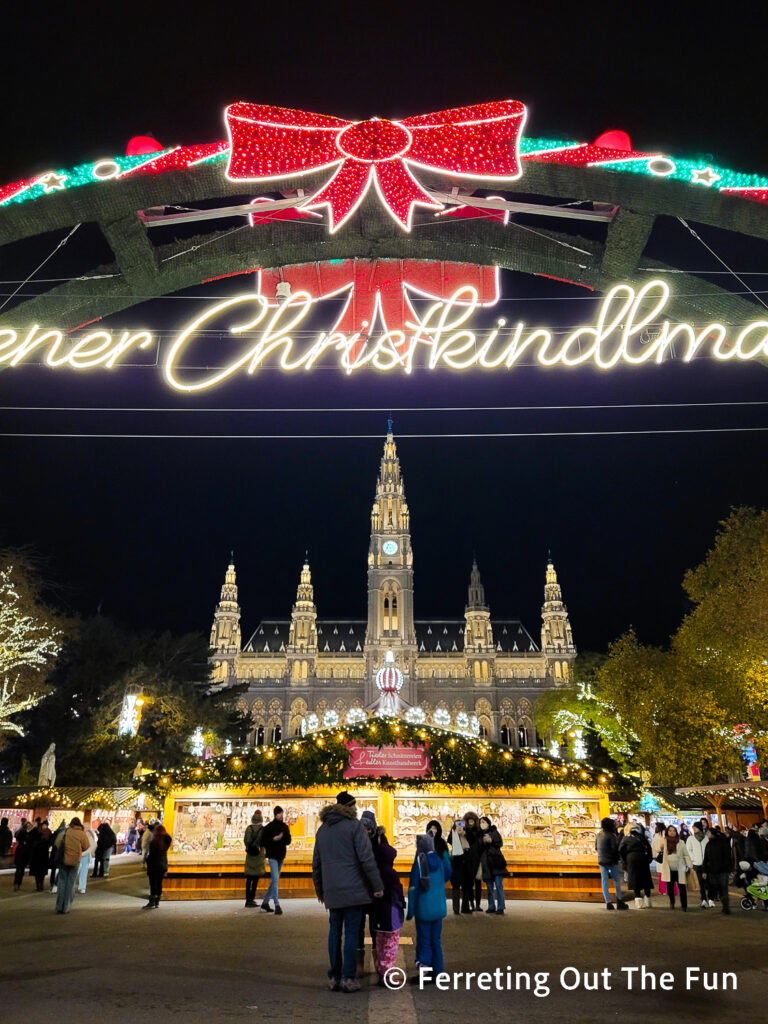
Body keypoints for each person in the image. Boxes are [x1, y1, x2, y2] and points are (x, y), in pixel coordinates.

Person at [312, 790, 383, 994]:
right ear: (350, 807)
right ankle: (349, 977)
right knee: (352, 932)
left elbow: (316, 864)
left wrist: (320, 889)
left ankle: (334, 976)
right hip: (354, 889)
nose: (357, 809)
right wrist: (377, 886)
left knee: (334, 931)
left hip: (332, 890)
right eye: (355, 806)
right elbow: (366, 859)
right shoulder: (354, 827)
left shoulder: (322, 830)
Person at [407, 832, 452, 985]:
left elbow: (413, 887)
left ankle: (424, 971)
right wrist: (446, 854)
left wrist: (410, 911)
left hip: (424, 909)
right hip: (438, 908)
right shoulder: (439, 860)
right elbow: (447, 875)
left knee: (424, 939)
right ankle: (438, 972)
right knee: (436, 940)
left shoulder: (419, 862)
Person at [368, 812, 405, 987]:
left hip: (378, 914)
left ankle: (381, 968)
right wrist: (402, 905)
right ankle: (388, 973)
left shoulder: (375, 872)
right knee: (391, 944)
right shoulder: (391, 873)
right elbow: (397, 893)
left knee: (380, 941)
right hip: (391, 914)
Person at [357, 810, 379, 969]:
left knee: (374, 924)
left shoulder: (378, 841)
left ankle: (377, 957)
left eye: (369, 828)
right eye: (364, 828)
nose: (366, 831)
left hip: (372, 888)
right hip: (358, 888)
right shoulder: (354, 840)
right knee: (358, 925)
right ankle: (359, 962)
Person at [260, 805, 292, 915]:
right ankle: (277, 904)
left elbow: (288, 841)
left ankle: (265, 902)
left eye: (282, 813)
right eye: (279, 813)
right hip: (272, 855)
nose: (281, 815)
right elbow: (262, 841)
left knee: (275, 879)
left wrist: (283, 837)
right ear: (275, 814)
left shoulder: (284, 826)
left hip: (281, 855)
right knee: (275, 879)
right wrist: (274, 839)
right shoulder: (269, 827)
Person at [54, 817, 90, 914]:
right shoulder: (82, 834)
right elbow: (86, 846)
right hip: (75, 861)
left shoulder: (66, 832)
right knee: (70, 884)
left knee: (62, 883)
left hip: (64, 860)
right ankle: (66, 907)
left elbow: (57, 843)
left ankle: (59, 906)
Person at [446, 815, 478, 914]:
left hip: (467, 859)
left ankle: (465, 907)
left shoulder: (467, 834)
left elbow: (473, 839)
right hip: (457, 861)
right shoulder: (453, 834)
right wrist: (455, 832)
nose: (459, 827)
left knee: (467, 885)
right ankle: (456, 909)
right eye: (457, 825)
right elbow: (449, 840)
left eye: (461, 825)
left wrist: (465, 831)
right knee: (456, 885)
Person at [595, 817, 629, 910]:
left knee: (604, 881)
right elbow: (615, 849)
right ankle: (619, 900)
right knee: (616, 880)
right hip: (612, 860)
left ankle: (608, 902)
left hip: (601, 860)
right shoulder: (612, 835)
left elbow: (596, 848)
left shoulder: (598, 835)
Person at [619, 823, 653, 908]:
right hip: (643, 858)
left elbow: (620, 850)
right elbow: (649, 848)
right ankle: (648, 899)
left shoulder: (626, 838)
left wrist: (624, 860)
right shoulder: (642, 837)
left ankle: (638, 901)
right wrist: (649, 859)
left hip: (631, 859)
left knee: (635, 879)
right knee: (646, 878)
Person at [659, 824, 693, 911]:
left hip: (680, 868)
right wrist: (661, 847)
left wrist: (689, 865)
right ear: (667, 832)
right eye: (670, 831)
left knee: (682, 888)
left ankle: (684, 906)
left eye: (674, 831)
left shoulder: (681, 842)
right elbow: (656, 849)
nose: (672, 832)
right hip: (669, 869)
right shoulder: (664, 841)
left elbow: (686, 854)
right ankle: (672, 902)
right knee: (670, 888)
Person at [478, 815, 507, 915]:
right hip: (486, 864)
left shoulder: (494, 832)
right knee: (489, 887)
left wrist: (491, 841)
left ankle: (500, 907)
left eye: (484, 822)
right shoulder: (480, 834)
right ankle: (491, 906)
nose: (482, 824)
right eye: (480, 822)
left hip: (496, 862)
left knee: (499, 886)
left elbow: (500, 843)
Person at [702, 826, 733, 915]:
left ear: (712, 834)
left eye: (708, 833)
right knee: (720, 889)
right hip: (713, 871)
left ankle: (726, 908)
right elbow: (706, 858)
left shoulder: (722, 843)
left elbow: (727, 857)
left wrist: (726, 867)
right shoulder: (709, 844)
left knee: (723, 889)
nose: (707, 834)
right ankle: (725, 906)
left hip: (722, 871)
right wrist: (704, 870)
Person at [144, 822, 172, 909]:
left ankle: (152, 901)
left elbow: (151, 854)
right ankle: (157, 901)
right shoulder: (167, 841)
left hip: (154, 865)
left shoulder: (155, 841)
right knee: (159, 883)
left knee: (153, 883)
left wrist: (146, 861)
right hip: (163, 864)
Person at [686, 823, 713, 908]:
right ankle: (703, 899)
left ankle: (710, 898)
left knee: (709, 882)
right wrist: (693, 859)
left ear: (700, 828)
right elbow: (688, 850)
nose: (694, 829)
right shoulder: (690, 838)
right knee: (701, 882)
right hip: (697, 864)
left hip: (707, 864)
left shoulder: (706, 838)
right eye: (693, 827)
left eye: (696, 827)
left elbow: (710, 849)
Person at [243, 810, 266, 907]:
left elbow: (245, 840)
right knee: (255, 879)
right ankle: (252, 899)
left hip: (250, 855)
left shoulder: (249, 828)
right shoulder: (263, 830)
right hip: (259, 856)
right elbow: (265, 842)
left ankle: (247, 900)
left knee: (249, 879)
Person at [462, 812, 483, 910]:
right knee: (469, 883)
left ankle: (478, 904)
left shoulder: (479, 832)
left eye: (472, 821)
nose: (471, 823)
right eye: (469, 821)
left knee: (478, 883)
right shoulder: (464, 832)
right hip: (467, 859)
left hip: (477, 859)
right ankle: (472, 904)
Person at [29, 820, 53, 892]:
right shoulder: (37, 832)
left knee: (42, 872)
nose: (44, 826)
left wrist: (44, 843)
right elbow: (32, 841)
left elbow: (50, 843)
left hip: (44, 855)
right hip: (36, 855)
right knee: (37, 872)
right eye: (43, 825)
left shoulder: (49, 832)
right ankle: (37, 885)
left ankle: (41, 885)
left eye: (45, 825)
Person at [78, 819, 98, 894]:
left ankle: (81, 887)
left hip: (82, 855)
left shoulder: (86, 834)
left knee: (78, 870)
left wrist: (82, 853)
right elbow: (94, 845)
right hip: (85, 855)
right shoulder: (90, 834)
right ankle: (82, 887)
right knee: (83, 871)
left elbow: (92, 845)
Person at [12, 819, 31, 891]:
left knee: (18, 869)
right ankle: (18, 884)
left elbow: (16, 836)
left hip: (20, 854)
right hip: (24, 855)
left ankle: (16, 883)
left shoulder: (20, 833)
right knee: (21, 870)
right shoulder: (28, 835)